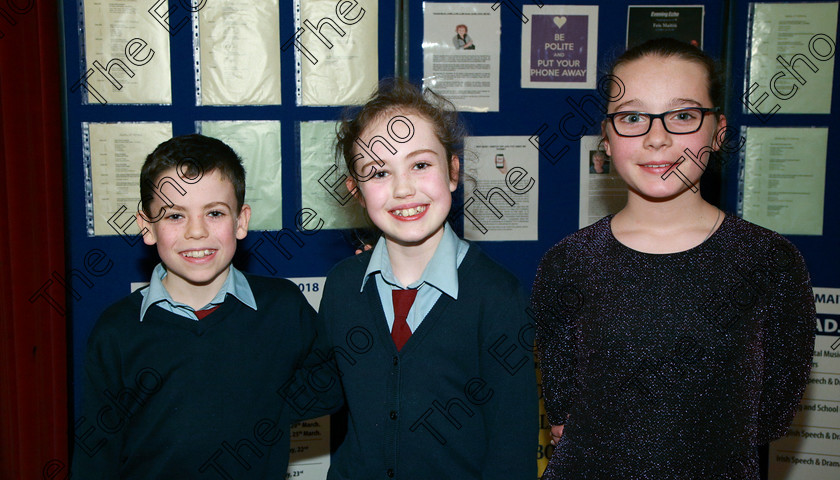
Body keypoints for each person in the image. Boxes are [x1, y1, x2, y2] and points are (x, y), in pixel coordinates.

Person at [531, 38, 815, 479]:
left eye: (683, 115)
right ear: (605, 139)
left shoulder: (770, 262)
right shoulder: (565, 264)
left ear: (719, 131)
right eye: (632, 117)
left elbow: (774, 416)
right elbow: (563, 418)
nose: (656, 137)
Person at [72, 134, 340, 479]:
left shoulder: (283, 307)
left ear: (241, 221)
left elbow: (332, 387)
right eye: (174, 216)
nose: (196, 232)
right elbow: (95, 456)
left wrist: (259, 405)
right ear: (147, 226)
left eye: (214, 213)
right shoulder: (116, 331)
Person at [319, 78, 536, 479]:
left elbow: (513, 445)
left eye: (420, 165)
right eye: (378, 172)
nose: (403, 189)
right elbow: (322, 394)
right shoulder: (344, 287)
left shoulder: (498, 296)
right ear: (356, 191)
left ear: (452, 170)